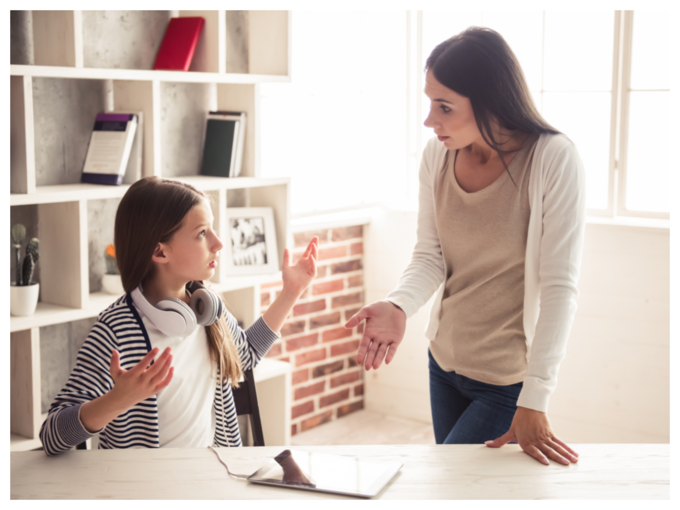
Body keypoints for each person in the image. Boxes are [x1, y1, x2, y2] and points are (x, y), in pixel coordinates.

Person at [346, 27, 585, 466]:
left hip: (505, 382)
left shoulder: (553, 159)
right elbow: (430, 255)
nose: (429, 120)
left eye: (444, 106)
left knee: (448, 488)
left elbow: (559, 287)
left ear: (490, 99)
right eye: (429, 102)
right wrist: (399, 305)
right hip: (445, 365)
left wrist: (536, 397)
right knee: (462, 491)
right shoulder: (437, 156)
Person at [40, 176, 318, 455]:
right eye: (201, 233)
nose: (218, 243)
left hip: (213, 478)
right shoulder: (115, 330)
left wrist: (291, 292)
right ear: (160, 251)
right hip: (146, 492)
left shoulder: (207, 309)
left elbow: (245, 355)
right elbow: (51, 437)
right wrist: (116, 400)